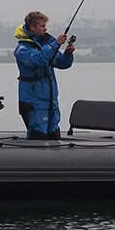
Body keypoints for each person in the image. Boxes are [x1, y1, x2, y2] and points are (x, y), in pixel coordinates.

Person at [14, 11, 75, 140]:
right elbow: (37, 60)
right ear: (32, 27)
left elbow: (62, 63)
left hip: (51, 102)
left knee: (54, 134)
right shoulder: (22, 49)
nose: (45, 29)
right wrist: (55, 44)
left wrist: (68, 54)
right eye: (42, 26)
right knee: (38, 135)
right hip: (34, 102)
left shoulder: (46, 46)